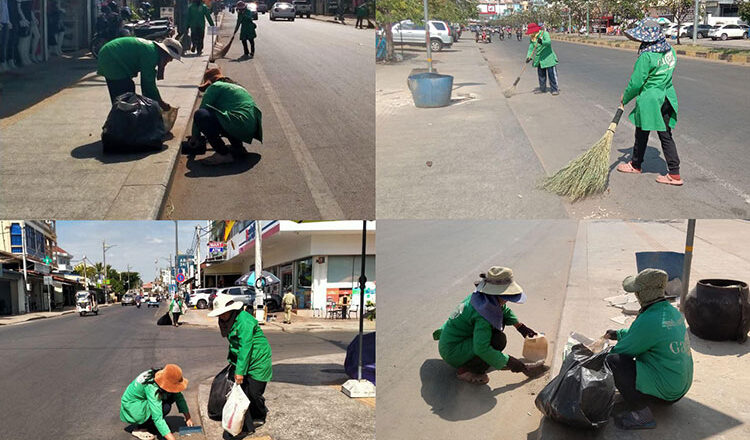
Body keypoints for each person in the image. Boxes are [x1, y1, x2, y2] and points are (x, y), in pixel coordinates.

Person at [603, 269, 693, 429]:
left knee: (614, 361)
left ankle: (641, 415)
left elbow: (620, 351)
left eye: (637, 292)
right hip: (679, 387)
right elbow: (641, 335)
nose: (635, 296)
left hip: (667, 392)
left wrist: (596, 357)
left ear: (643, 294)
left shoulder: (650, 319)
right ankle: (643, 393)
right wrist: (618, 334)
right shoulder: (671, 311)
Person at [432, 266, 541, 384]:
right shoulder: (482, 315)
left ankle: (480, 360)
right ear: (494, 294)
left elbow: (503, 310)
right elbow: (482, 349)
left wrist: (521, 327)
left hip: (452, 341)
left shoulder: (483, 298)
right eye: (505, 298)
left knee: (497, 338)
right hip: (453, 350)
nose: (507, 301)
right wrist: (510, 362)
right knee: (497, 340)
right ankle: (465, 370)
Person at [616, 19, 683, 186]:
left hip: (651, 99)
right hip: (667, 96)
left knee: (641, 132)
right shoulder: (670, 51)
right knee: (666, 135)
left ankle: (636, 164)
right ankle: (675, 173)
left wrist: (625, 96)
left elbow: (637, 82)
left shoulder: (647, 56)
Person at [208, 294, 272, 435]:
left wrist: (240, 371)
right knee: (243, 393)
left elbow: (245, 347)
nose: (221, 316)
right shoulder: (226, 321)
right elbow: (234, 346)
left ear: (231, 309)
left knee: (255, 393)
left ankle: (260, 415)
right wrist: (234, 364)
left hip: (258, 359)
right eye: (220, 314)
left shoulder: (244, 320)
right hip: (242, 360)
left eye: (223, 313)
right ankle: (246, 427)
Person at [185, 66, 263, 165]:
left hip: (239, 123)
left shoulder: (215, 87)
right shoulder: (236, 87)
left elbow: (201, 111)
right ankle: (238, 148)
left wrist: (195, 137)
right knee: (227, 116)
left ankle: (223, 154)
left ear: (209, 83)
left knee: (201, 115)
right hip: (251, 127)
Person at [97, 36, 182, 108]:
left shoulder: (152, 50)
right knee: (125, 97)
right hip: (112, 59)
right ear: (165, 53)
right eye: (170, 57)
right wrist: (160, 103)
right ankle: (120, 123)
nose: (170, 60)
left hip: (109, 54)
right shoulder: (151, 54)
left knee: (122, 96)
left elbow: (147, 85)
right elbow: (148, 83)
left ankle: (120, 122)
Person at [120, 364, 193, 440]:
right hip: (133, 407)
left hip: (141, 401)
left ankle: (151, 425)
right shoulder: (152, 388)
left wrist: (188, 418)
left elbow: (179, 397)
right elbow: (157, 417)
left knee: (171, 395)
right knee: (165, 407)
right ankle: (141, 428)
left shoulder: (161, 375)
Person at [525, 22, 559, 95]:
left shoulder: (544, 34)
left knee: (551, 75)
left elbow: (548, 42)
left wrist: (542, 42)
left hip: (548, 57)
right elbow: (531, 48)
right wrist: (529, 57)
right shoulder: (532, 38)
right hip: (539, 59)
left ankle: (554, 89)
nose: (531, 34)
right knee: (541, 75)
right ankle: (542, 88)